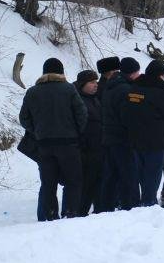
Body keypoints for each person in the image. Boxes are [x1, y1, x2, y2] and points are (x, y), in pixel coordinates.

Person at [18, 58, 87, 221]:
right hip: (68, 144)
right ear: (61, 72)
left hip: (44, 145)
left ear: (44, 73)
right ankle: (70, 213)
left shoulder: (33, 91)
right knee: (73, 181)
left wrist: (37, 131)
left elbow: (23, 118)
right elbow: (82, 114)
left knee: (48, 183)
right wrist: (76, 132)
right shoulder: (69, 89)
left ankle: (49, 215)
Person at [121, 60, 164, 208]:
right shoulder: (163, 92)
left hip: (135, 138)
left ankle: (140, 201)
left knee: (140, 171)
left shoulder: (133, 89)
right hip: (156, 139)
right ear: (161, 76)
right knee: (153, 173)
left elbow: (125, 113)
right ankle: (149, 202)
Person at [100, 56, 140, 211]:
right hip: (123, 138)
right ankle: (129, 207)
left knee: (111, 175)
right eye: (137, 72)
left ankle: (106, 207)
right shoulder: (126, 89)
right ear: (132, 73)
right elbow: (128, 116)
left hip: (109, 137)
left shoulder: (111, 86)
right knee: (128, 174)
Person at [75, 70, 103, 217]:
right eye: (92, 82)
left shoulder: (95, 99)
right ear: (82, 84)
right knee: (85, 187)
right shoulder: (78, 100)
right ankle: (79, 215)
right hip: (85, 151)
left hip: (98, 149)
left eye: (96, 82)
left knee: (97, 185)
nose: (95, 85)